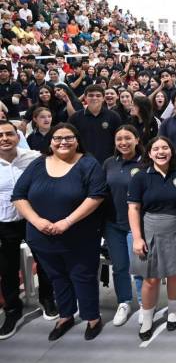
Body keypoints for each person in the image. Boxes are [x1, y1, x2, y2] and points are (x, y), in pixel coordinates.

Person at [12, 123, 107, 341]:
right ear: (51, 141)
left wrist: (67, 221)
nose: (62, 142)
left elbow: (97, 195)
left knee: (82, 276)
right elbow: (19, 196)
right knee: (57, 276)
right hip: (42, 235)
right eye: (57, 138)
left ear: (77, 140)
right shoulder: (37, 164)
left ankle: (92, 317)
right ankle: (65, 315)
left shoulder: (88, 163)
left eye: (68, 138)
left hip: (79, 235)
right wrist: (36, 221)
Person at [0, 121, 57, 340]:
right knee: (8, 267)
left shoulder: (33, 158)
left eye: (9, 134)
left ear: (18, 136)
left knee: (44, 260)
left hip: (33, 218)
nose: (4, 138)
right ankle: (13, 309)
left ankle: (47, 299)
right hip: (4, 222)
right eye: (0, 135)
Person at [128, 136, 176, 340]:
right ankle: (147, 318)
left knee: (174, 274)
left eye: (165, 148)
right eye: (156, 149)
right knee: (151, 279)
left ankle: (172, 311)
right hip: (150, 229)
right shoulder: (141, 176)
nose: (161, 152)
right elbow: (133, 208)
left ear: (171, 151)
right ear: (149, 153)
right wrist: (137, 238)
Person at [102, 125, 145, 327]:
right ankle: (124, 302)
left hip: (136, 225)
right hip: (113, 224)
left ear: (137, 139)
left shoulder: (145, 163)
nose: (123, 142)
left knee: (138, 267)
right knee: (119, 267)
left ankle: (146, 304)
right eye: (119, 139)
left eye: (128, 138)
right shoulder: (109, 163)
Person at [68, 84, 122, 163]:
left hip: (108, 162)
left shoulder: (113, 116)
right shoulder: (75, 118)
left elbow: (119, 139)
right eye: (91, 95)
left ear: (103, 98)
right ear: (85, 98)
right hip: (82, 162)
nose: (94, 98)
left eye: (98, 95)